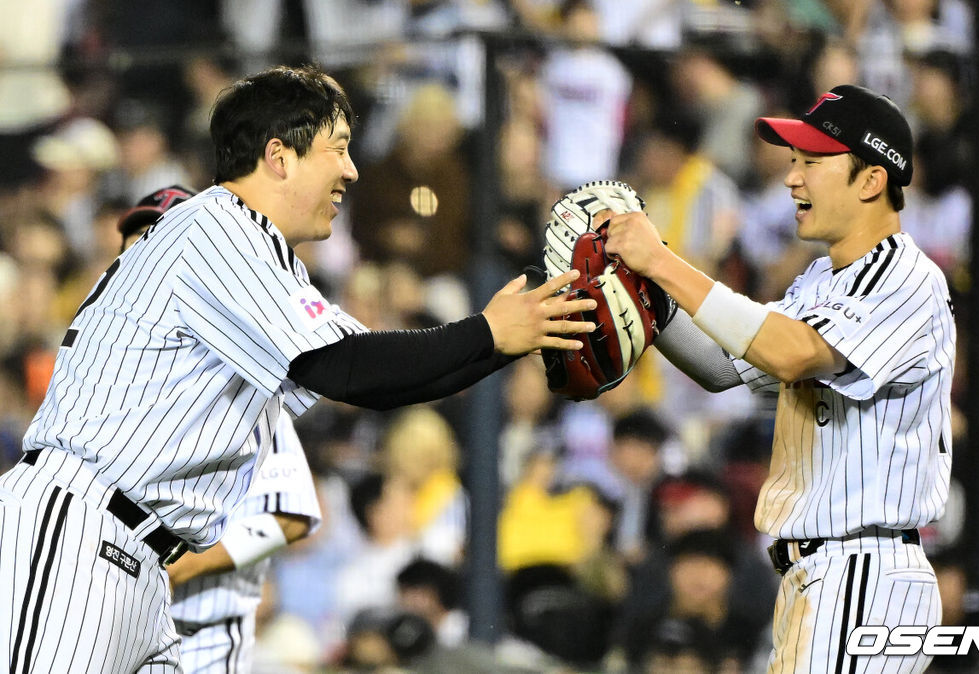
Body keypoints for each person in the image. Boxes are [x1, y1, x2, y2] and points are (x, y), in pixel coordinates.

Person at [0, 64, 596, 673]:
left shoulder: (253, 249)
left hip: (138, 562)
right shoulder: (217, 228)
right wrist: (489, 333)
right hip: (83, 533)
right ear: (279, 156)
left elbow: (376, 375)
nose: (352, 169)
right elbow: (349, 370)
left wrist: (499, 343)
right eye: (337, 149)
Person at [605, 84, 955, 673]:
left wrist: (661, 260)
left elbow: (793, 353)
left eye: (812, 162)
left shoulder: (904, 276)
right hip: (818, 577)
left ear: (871, 180)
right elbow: (724, 365)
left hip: (864, 574)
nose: (792, 178)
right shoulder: (820, 279)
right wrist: (640, 293)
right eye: (793, 161)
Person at [118, 185, 323, 674]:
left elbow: (289, 515)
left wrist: (181, 564)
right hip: (126, 630)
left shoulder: (246, 382)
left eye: (152, 240)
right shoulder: (124, 379)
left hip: (205, 635)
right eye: (132, 247)